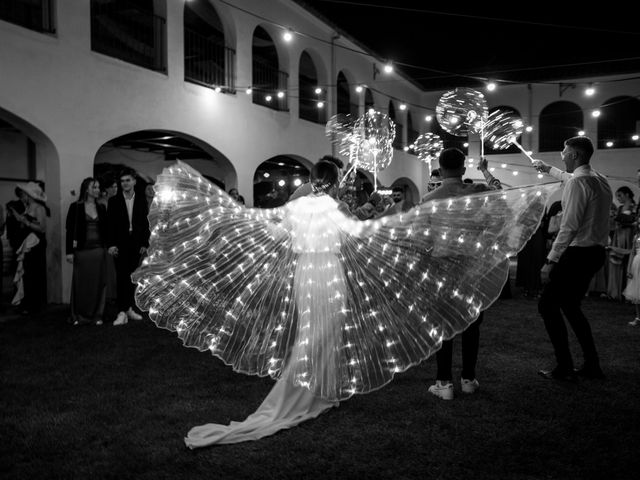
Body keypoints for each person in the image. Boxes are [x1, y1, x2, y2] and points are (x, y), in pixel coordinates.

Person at [132, 160, 553, 446]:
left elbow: (277, 232)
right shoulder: (332, 207)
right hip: (327, 271)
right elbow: (358, 235)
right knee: (325, 331)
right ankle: (310, 394)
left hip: (304, 274)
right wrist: (387, 216)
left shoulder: (295, 207)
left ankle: (323, 391)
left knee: (313, 331)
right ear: (332, 183)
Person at [420, 149, 503, 400]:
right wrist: (486, 172)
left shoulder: (429, 198)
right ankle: (468, 378)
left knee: (443, 324)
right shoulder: (477, 193)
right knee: (471, 323)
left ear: (441, 168)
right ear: (464, 168)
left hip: (441, 266)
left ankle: (444, 382)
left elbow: (420, 237)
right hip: (472, 265)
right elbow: (501, 205)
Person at [534, 136, 612, 380]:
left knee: (547, 304)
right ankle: (592, 364)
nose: (563, 156)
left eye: (564, 154)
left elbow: (569, 226)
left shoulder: (579, 183)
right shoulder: (600, 179)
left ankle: (565, 366)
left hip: (578, 253)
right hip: (596, 252)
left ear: (575, 155)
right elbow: (572, 179)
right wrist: (549, 169)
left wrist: (550, 261)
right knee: (570, 306)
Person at [107, 168, 150, 326]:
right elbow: (109, 225)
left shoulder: (140, 200)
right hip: (120, 244)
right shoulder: (113, 201)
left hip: (136, 244)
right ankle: (121, 312)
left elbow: (145, 223)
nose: (125, 183)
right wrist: (111, 244)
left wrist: (145, 243)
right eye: (122, 181)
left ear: (134, 181)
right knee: (121, 277)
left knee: (132, 278)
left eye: (128, 180)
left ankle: (128, 309)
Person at [66, 178, 109, 325]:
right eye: (94, 187)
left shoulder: (101, 207)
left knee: (98, 283)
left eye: (98, 187)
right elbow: (70, 231)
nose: (97, 190)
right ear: (86, 189)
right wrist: (69, 252)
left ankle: (97, 314)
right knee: (81, 284)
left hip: (98, 251)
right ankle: (78, 315)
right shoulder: (76, 207)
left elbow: (106, 231)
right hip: (82, 252)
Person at [10, 182, 48, 314]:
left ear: (29, 195)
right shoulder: (27, 208)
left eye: (23, 194)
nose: (21, 197)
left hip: (36, 244)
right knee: (27, 274)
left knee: (34, 274)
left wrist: (25, 221)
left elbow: (42, 228)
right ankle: (27, 303)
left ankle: (35, 305)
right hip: (27, 244)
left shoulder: (39, 208)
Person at [606, 186, 636, 300]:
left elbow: (634, 220)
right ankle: (615, 291)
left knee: (628, 262)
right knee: (616, 261)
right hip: (619, 235)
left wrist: (622, 219)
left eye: (620, 195)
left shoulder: (634, 207)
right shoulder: (620, 208)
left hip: (628, 236)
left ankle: (627, 290)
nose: (618, 198)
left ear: (627, 194)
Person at [624, 222, 640, 326]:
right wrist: (629, 268)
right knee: (637, 290)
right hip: (637, 263)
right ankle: (638, 317)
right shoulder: (636, 237)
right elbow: (632, 252)